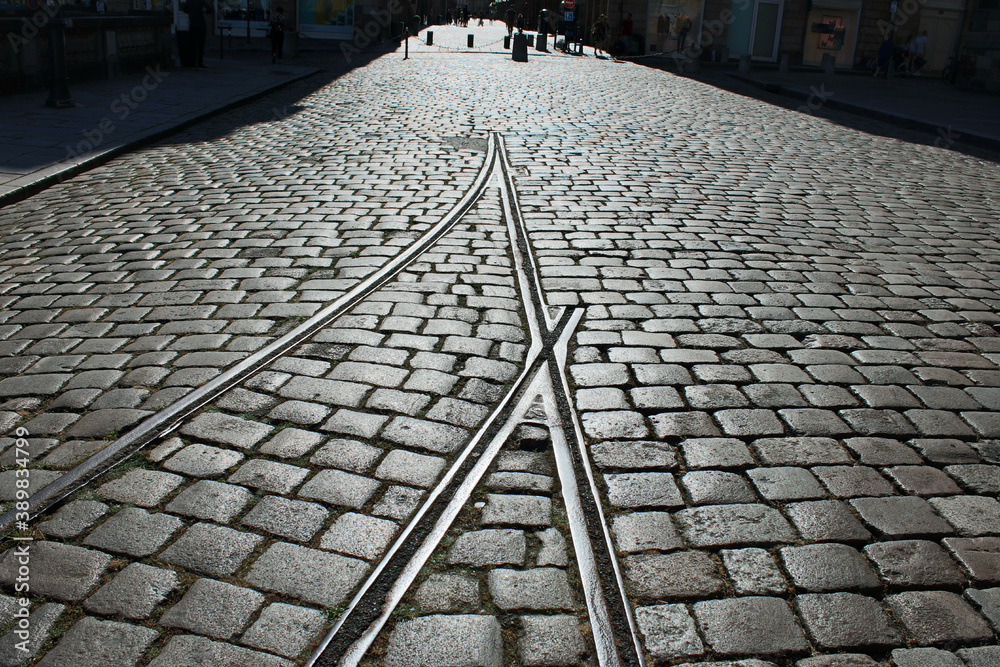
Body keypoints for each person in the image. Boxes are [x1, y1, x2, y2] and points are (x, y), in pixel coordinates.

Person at [184, 0, 211, 68]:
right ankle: (199, 62)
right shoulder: (200, 1)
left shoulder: (188, 1)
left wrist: (191, 12)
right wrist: (204, 12)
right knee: (201, 45)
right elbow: (210, 9)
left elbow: (184, 10)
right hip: (201, 24)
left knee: (192, 45)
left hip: (192, 24)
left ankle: (192, 62)